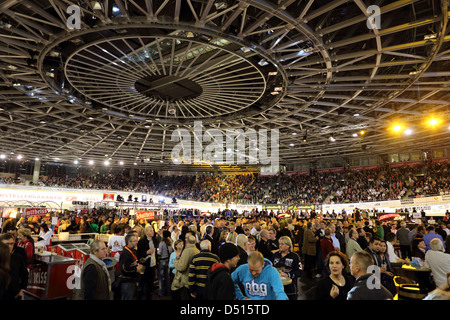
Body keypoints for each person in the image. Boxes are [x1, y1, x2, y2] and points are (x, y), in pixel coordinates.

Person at [272, 236, 301, 300]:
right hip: (277, 288)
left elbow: (299, 272)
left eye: (282, 244)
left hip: (290, 289)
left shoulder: (295, 256)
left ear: (288, 246)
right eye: (279, 244)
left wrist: (288, 274)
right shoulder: (275, 255)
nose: (280, 246)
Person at [0, 233, 28, 300]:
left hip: (14, 294)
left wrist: (22, 289)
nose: (10, 246)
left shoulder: (17, 258)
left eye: (12, 244)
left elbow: (24, 274)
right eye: (7, 244)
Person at [171, 234, 199, 300]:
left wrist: (176, 262)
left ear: (186, 242)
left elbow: (181, 267)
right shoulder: (197, 251)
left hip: (185, 281)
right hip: (193, 279)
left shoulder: (187, 251)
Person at [116, 233, 143, 300]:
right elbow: (124, 269)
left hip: (131, 281)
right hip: (127, 282)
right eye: (134, 241)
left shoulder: (132, 251)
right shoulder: (125, 253)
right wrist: (136, 269)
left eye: (137, 240)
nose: (137, 242)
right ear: (129, 242)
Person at [137, 224, 159, 300]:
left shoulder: (155, 240)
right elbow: (138, 254)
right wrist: (147, 252)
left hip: (152, 264)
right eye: (150, 230)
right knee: (142, 283)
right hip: (145, 265)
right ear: (146, 232)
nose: (152, 231)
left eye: (152, 230)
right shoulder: (142, 241)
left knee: (150, 284)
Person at [157, 230, 173, 297]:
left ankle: (161, 292)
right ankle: (168, 291)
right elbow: (171, 251)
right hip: (168, 260)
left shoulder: (162, 243)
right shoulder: (170, 242)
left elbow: (159, 253)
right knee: (167, 277)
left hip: (162, 261)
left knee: (160, 277)